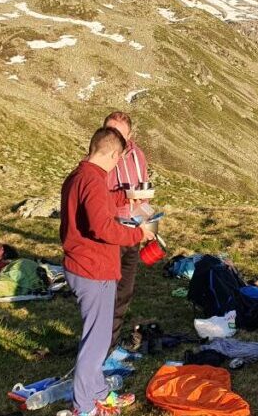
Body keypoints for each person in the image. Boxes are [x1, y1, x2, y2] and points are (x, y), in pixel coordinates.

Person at [61, 127, 155, 415]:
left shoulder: (81, 175)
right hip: (93, 269)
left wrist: (125, 199)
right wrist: (138, 235)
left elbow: (96, 206)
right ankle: (85, 406)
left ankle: (99, 391)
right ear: (113, 154)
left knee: (98, 336)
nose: (118, 164)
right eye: (118, 159)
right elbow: (101, 227)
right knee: (96, 341)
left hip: (83, 264)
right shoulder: (91, 179)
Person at [102, 111, 151, 352]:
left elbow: (143, 191)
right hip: (112, 231)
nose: (115, 139)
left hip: (134, 229)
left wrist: (148, 221)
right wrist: (124, 196)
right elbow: (96, 199)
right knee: (105, 290)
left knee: (125, 289)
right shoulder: (101, 157)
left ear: (130, 135)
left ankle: (111, 340)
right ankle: (100, 343)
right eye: (110, 132)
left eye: (120, 134)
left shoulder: (137, 155)